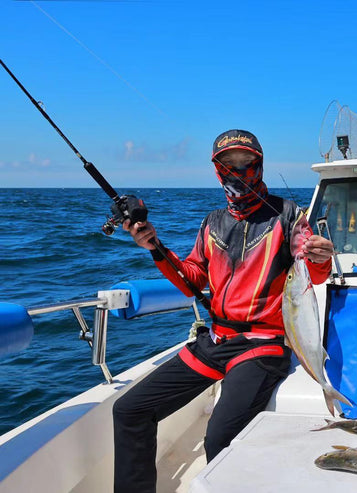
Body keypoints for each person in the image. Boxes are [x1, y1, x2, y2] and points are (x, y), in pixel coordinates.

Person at [112, 129, 334, 493]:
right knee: (129, 410)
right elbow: (193, 279)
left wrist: (322, 257)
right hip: (214, 340)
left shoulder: (289, 215)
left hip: (262, 346)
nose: (239, 172)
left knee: (220, 437)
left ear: (259, 165)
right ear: (217, 169)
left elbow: (311, 269)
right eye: (229, 164)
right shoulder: (212, 221)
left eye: (247, 163)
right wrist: (155, 248)